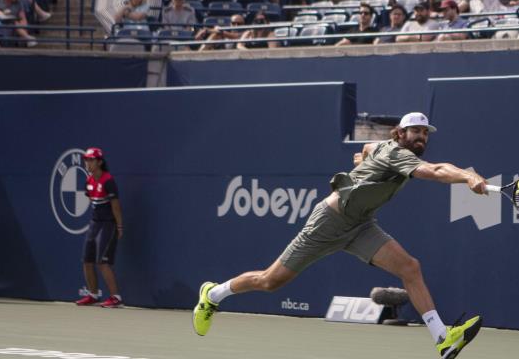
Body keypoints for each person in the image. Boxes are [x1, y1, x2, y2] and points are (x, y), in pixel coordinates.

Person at [192, 112, 485, 358]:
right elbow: (436, 170)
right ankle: (213, 294)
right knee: (270, 281)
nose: (422, 137)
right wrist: (468, 176)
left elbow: (368, 148)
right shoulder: (397, 154)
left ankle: (443, 339)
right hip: (328, 222)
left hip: (360, 225)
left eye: (425, 132)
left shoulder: (384, 147)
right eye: (415, 131)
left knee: (410, 268)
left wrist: (363, 160)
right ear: (400, 133)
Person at [74, 148, 124, 309]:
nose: (87, 163)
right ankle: (93, 295)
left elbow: (115, 206)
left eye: (91, 160)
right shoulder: (88, 181)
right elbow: (93, 203)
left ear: (100, 162)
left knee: (102, 262)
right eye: (86, 160)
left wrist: (119, 226)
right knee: (87, 260)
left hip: (109, 224)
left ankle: (116, 298)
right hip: (95, 224)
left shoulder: (108, 180)